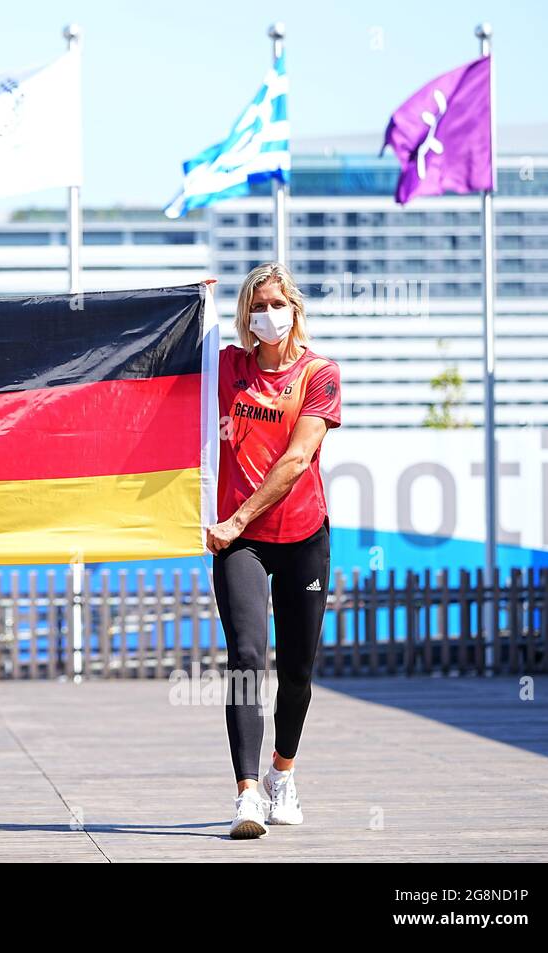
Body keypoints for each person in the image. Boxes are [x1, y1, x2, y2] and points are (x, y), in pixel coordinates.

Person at [205, 262, 342, 840]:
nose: (268, 314)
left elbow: (295, 459)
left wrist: (237, 514)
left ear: (294, 310)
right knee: (244, 657)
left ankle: (282, 773)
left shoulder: (320, 372)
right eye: (257, 305)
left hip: (302, 535)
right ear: (245, 314)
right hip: (241, 543)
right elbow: (180, 346)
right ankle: (247, 793)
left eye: (277, 303)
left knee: (298, 671)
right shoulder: (228, 367)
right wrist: (189, 302)